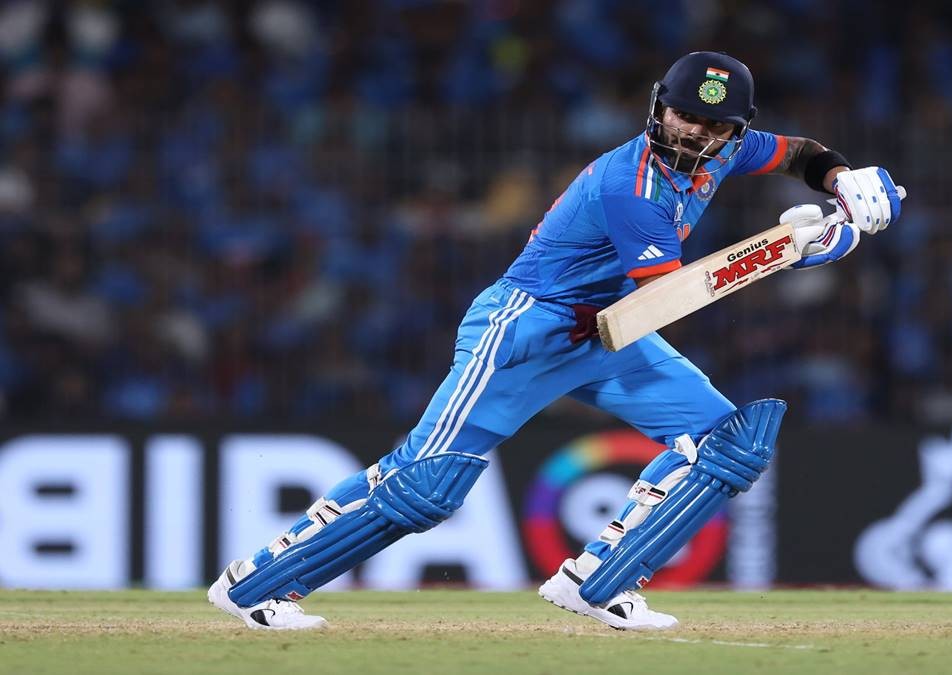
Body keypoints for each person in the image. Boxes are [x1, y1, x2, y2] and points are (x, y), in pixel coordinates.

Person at [207, 51, 902, 631]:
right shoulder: (632, 185)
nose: (694, 133)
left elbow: (802, 154)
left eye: (714, 125)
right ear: (658, 107)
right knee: (427, 485)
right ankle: (255, 585)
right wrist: (798, 250)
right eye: (684, 116)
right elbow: (669, 298)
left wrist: (844, 178)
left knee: (728, 445)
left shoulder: (726, 150)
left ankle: (596, 582)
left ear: (734, 130)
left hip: (609, 328)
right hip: (528, 329)